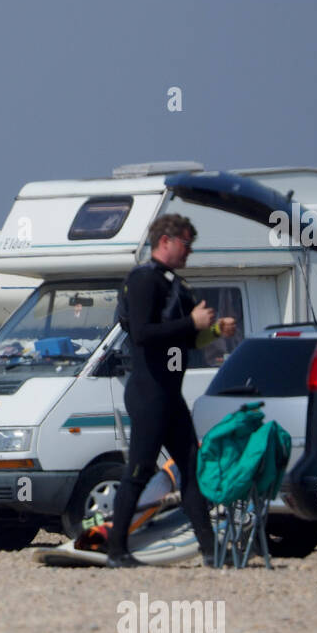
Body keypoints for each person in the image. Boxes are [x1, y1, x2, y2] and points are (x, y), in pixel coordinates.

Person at [105, 214, 237, 568]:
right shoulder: (145, 280)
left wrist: (212, 333)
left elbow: (185, 339)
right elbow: (143, 335)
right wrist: (190, 322)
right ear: (165, 241)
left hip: (169, 394)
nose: (189, 252)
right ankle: (116, 550)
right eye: (185, 244)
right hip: (149, 392)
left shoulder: (174, 284)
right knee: (140, 469)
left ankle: (210, 550)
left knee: (191, 468)